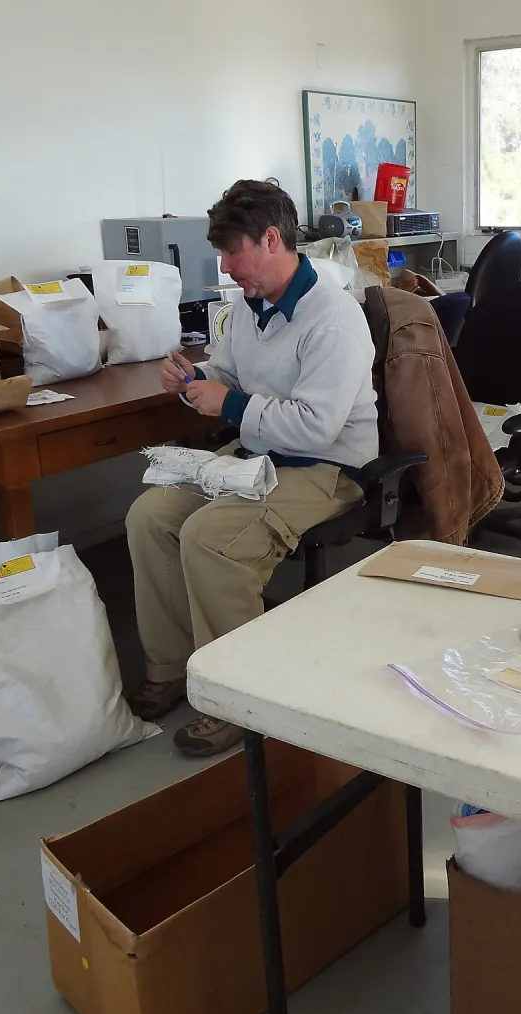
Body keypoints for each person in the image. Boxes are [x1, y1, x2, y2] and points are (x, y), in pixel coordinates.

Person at [124, 179, 378, 757]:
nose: (224, 265)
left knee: (210, 537)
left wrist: (231, 405)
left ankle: (237, 698)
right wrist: (196, 377)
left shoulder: (333, 317)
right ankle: (173, 667)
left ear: (269, 239)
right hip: (259, 456)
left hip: (326, 467)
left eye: (231, 250)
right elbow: (231, 373)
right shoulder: (250, 306)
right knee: (150, 516)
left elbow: (315, 426)